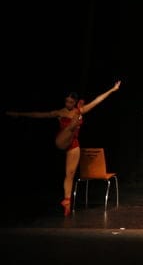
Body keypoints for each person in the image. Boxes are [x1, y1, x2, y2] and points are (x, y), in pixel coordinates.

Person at [6, 80, 121, 216]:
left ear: (75, 102)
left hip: (73, 144)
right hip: (61, 141)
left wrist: (112, 89)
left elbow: (97, 100)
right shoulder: (60, 112)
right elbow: (39, 115)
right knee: (74, 122)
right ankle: (76, 121)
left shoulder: (79, 110)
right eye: (67, 101)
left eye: (71, 102)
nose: (68, 104)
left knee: (70, 174)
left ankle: (67, 202)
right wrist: (19, 114)